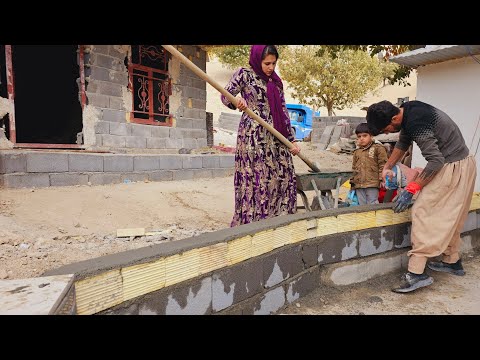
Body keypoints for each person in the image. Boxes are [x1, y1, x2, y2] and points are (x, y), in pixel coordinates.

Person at [366, 100, 477, 293]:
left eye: (386, 129)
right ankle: (452, 261)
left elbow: (435, 161)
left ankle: (416, 274)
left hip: (450, 166)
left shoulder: (416, 121)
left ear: (394, 118)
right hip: (464, 163)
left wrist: (411, 189)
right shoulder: (409, 110)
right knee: (453, 215)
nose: (385, 133)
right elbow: (403, 141)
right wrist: (387, 166)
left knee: (422, 212)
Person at [221, 45, 300, 227]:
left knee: (282, 174)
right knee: (257, 177)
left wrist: (292, 139)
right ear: (258, 60)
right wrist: (237, 100)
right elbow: (225, 96)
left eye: (273, 63)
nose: (270, 67)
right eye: (267, 63)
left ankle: (278, 219)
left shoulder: (276, 82)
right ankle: (253, 221)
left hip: (276, 136)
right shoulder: (244, 74)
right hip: (253, 137)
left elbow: (282, 110)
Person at [349, 123, 388, 205]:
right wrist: (352, 183)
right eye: (359, 136)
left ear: (371, 136)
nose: (361, 139)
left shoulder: (378, 148)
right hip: (359, 184)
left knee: (372, 205)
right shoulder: (357, 151)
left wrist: (382, 179)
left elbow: (383, 165)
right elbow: (354, 168)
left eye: (365, 136)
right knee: (362, 207)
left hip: (372, 183)